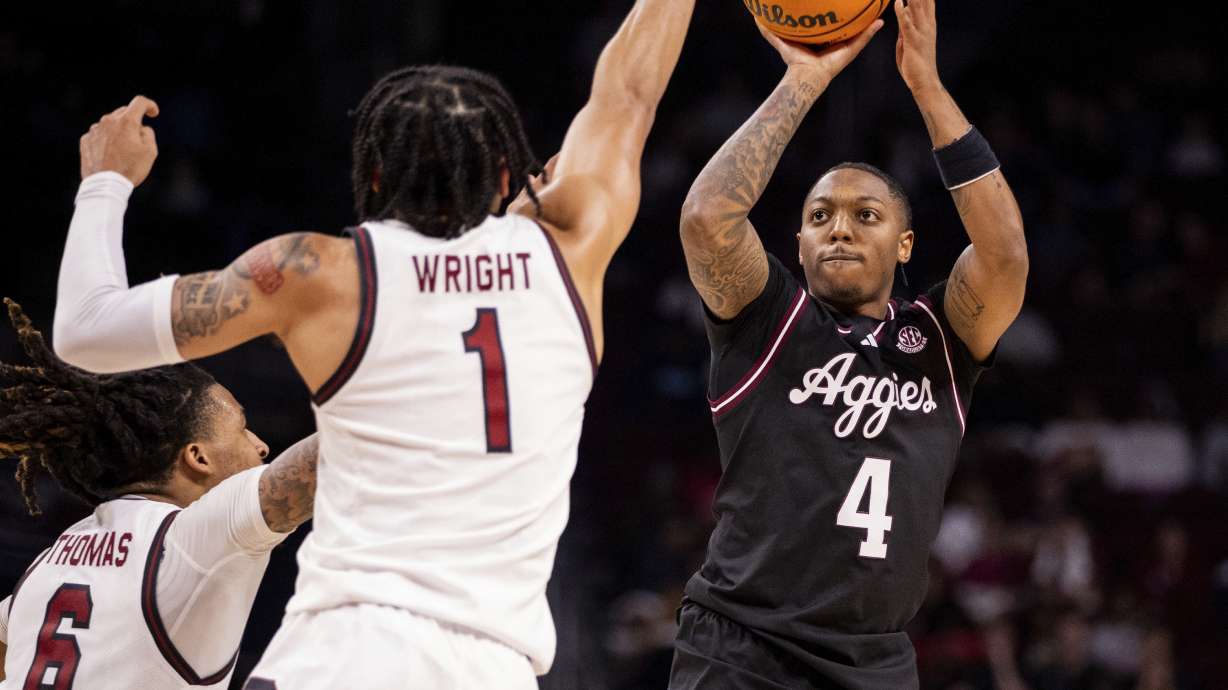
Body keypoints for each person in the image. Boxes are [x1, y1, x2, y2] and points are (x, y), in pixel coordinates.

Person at [51, 0, 696, 685]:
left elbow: (86, 332)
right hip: (491, 668)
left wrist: (104, 182)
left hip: (345, 653)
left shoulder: (318, 272)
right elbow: (628, 92)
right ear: (508, 178)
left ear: (376, 179)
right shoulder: (572, 250)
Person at [670, 0, 1028, 687]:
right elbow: (706, 220)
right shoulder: (768, 319)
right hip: (741, 645)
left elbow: (1006, 254)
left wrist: (926, 85)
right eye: (819, 217)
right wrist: (803, 78)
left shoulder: (941, 342)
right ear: (797, 245)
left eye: (866, 216)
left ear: (904, 245)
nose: (839, 229)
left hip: (875, 661)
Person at [0, 300, 318, 689]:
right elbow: (350, 449)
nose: (261, 445)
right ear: (198, 457)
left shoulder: (47, 563)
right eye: (242, 427)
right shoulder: (190, 540)